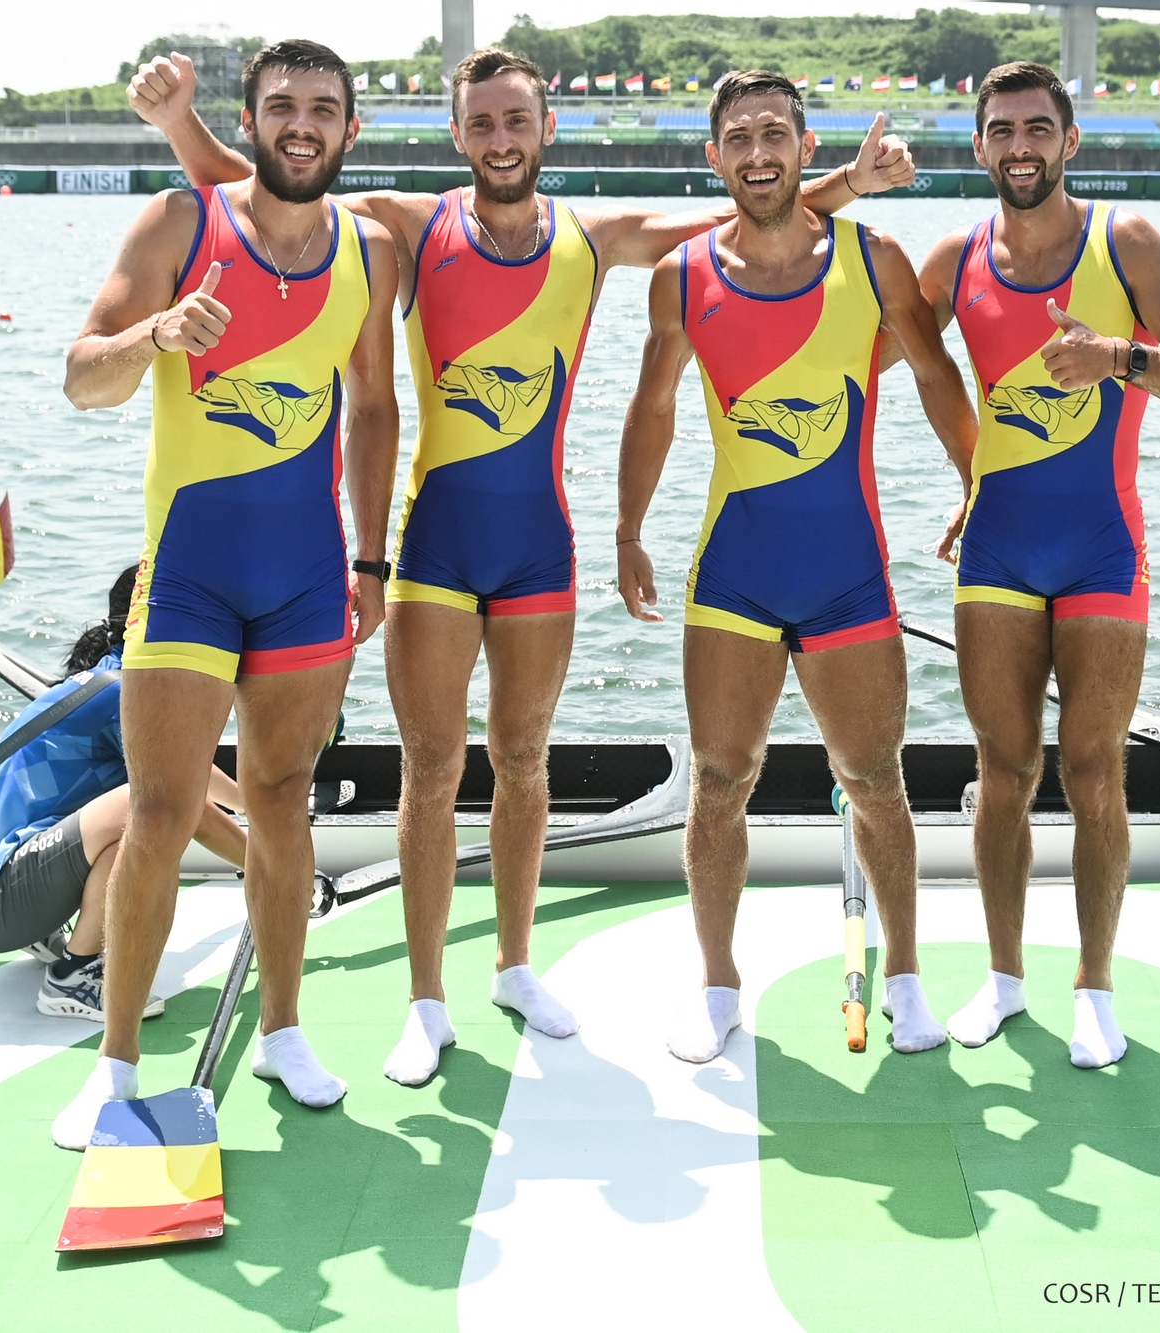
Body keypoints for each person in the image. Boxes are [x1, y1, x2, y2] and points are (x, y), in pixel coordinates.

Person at [131, 46, 918, 1086]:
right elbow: (272, 188)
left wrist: (850, 184)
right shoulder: (412, 227)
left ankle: (512, 966)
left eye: (517, 121)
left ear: (547, 129)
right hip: (433, 547)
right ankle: (425, 1000)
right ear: (457, 134)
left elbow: (749, 212)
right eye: (482, 124)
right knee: (429, 769)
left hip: (540, 547)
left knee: (523, 761)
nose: (500, 141)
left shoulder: (594, 238)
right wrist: (181, 127)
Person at [54, 38, 399, 1149]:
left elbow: (374, 409)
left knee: (285, 801)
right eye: (281, 105)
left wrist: (371, 559)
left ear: (350, 130)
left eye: (323, 108)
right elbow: (82, 379)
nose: (302, 124)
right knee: (161, 811)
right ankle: (114, 1066)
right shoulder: (177, 223)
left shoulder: (372, 251)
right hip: (189, 576)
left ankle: (284, 1031)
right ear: (248, 122)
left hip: (308, 578)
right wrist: (155, 333)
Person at [614, 71, 977, 1062]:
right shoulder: (681, 276)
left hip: (847, 572)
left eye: (773, 132)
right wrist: (628, 528)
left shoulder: (872, 258)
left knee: (874, 778)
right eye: (738, 138)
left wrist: (974, 482)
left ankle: (904, 977)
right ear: (713, 159)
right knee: (719, 779)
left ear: (804, 147)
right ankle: (716, 984)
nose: (758, 152)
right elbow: (653, 406)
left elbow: (938, 373)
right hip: (732, 572)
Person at [915, 62, 1160, 1069]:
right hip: (998, 547)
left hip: (1102, 542)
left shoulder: (1126, 242)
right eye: (1001, 130)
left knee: (1094, 768)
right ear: (978, 146)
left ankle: (1095, 987)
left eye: (1036, 128)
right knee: (1003, 769)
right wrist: (968, 469)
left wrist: (1118, 358)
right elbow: (867, 347)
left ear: (1069, 141)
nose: (1019, 147)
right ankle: (1004, 978)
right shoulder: (953, 259)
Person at [0, 564, 248, 1022]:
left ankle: (48, 935)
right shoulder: (125, 695)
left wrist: (252, 808)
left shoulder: (104, 681)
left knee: (145, 812)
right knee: (149, 806)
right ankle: (74, 977)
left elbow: (197, 776)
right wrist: (276, 870)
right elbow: (189, 801)